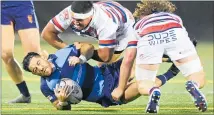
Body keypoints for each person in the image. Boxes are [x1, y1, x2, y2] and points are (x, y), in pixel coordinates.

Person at [22, 42, 180, 110]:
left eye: (38, 63)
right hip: (106, 95)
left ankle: (176, 57)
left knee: (138, 57)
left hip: (108, 72)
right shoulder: (46, 86)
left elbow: (87, 47)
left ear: (42, 57)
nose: (39, 69)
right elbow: (61, 107)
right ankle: (171, 73)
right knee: (140, 85)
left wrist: (81, 58)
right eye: (35, 70)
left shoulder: (63, 54)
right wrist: (63, 102)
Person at [41, 1, 138, 102]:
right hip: (106, 6)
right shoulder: (69, 13)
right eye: (73, 19)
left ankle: (135, 71)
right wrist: (71, 50)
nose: (75, 22)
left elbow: (105, 56)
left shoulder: (106, 23)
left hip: (123, 26)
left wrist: (84, 53)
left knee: (108, 62)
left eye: (79, 20)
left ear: (90, 16)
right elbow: (47, 34)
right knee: (102, 68)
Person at [132, 0, 207, 113]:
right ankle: (194, 84)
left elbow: (142, 51)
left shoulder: (139, 24)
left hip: (148, 37)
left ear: (143, 13)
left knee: (143, 83)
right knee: (196, 73)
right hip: (175, 33)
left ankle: (152, 90)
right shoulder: (174, 17)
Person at [1, 1, 41, 103]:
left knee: (34, 57)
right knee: (5, 55)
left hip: (22, 5)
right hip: (2, 7)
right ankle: (25, 95)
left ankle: (61, 88)